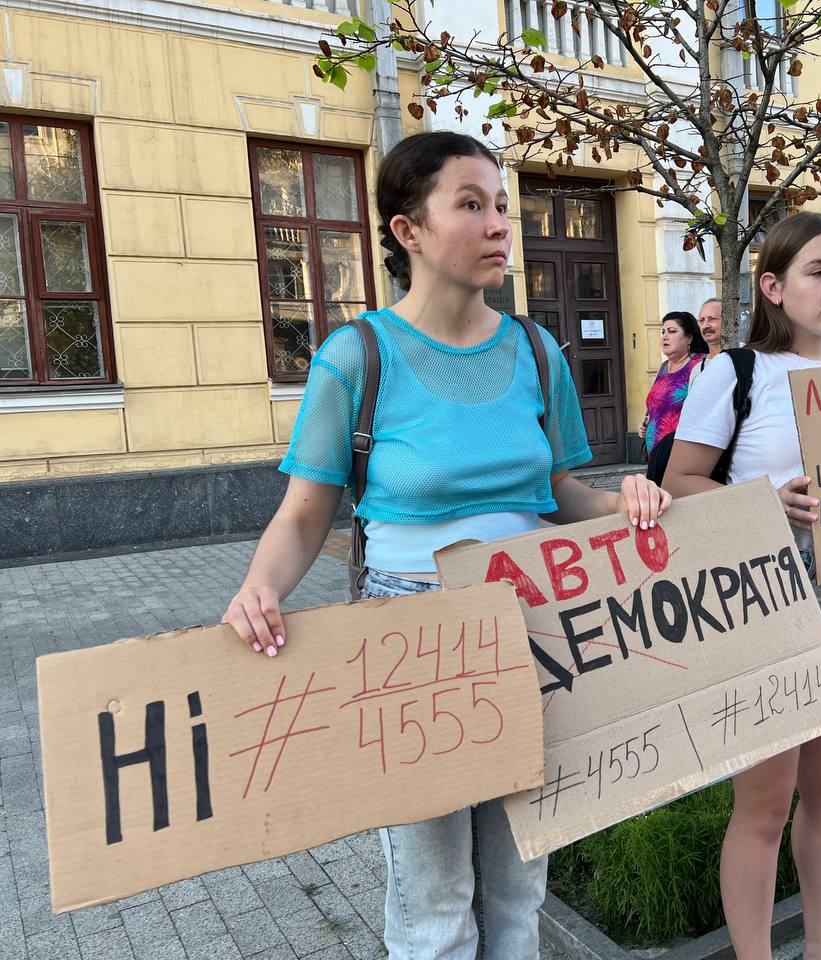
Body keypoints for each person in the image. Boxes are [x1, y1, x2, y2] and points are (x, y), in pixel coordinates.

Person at [219, 130, 671, 960]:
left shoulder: (538, 351)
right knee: (433, 904)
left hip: (536, 626)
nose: (500, 223)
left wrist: (626, 501)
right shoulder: (357, 358)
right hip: (408, 641)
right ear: (408, 231)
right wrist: (259, 590)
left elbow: (564, 493)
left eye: (501, 204)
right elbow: (302, 515)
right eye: (471, 204)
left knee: (518, 889)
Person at [663, 212, 821, 960]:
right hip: (764, 608)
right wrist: (764, 502)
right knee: (763, 808)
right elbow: (678, 482)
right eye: (819, 271)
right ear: (775, 287)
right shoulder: (734, 372)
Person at [643, 310, 709, 456]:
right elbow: (658, 407)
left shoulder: (701, 364)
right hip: (655, 454)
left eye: (672, 331)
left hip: (682, 454)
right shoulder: (664, 367)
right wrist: (646, 423)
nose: (665, 336)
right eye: (663, 332)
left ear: (689, 338)